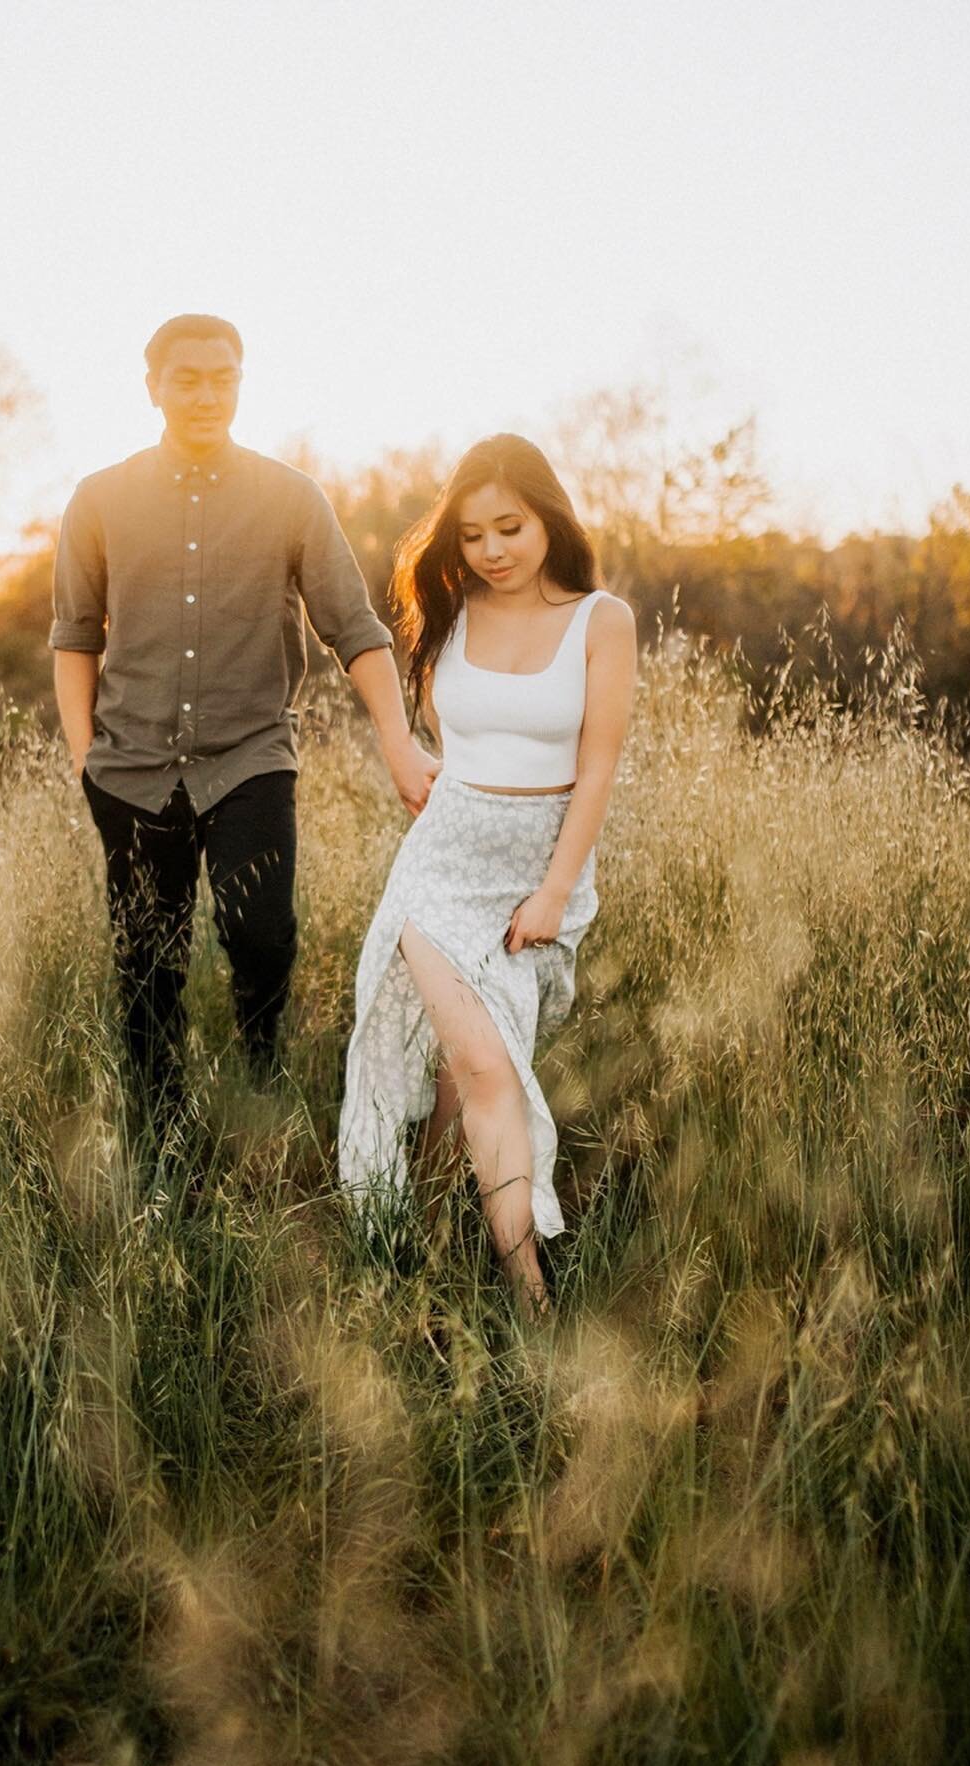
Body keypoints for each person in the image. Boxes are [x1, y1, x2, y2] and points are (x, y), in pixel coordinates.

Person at [53, 314, 439, 1149]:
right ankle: (163, 1139)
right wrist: (88, 764)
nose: (205, 393)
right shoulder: (100, 499)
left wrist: (399, 743)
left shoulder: (290, 497)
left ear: (241, 383)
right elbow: (75, 640)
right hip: (130, 772)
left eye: (222, 377)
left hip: (250, 759)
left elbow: (358, 630)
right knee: (147, 966)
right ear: (151, 386)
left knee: (260, 933)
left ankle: (260, 1070)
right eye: (186, 378)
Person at [338, 435, 637, 1317]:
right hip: (442, 866)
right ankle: (528, 1292)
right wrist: (413, 757)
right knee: (485, 1065)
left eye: (510, 528)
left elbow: (599, 768)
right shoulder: (452, 608)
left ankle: (425, 1243)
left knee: (455, 1084)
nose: (492, 550)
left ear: (549, 517)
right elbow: (448, 731)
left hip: (539, 875)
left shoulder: (601, 619)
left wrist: (552, 892)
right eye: (472, 536)